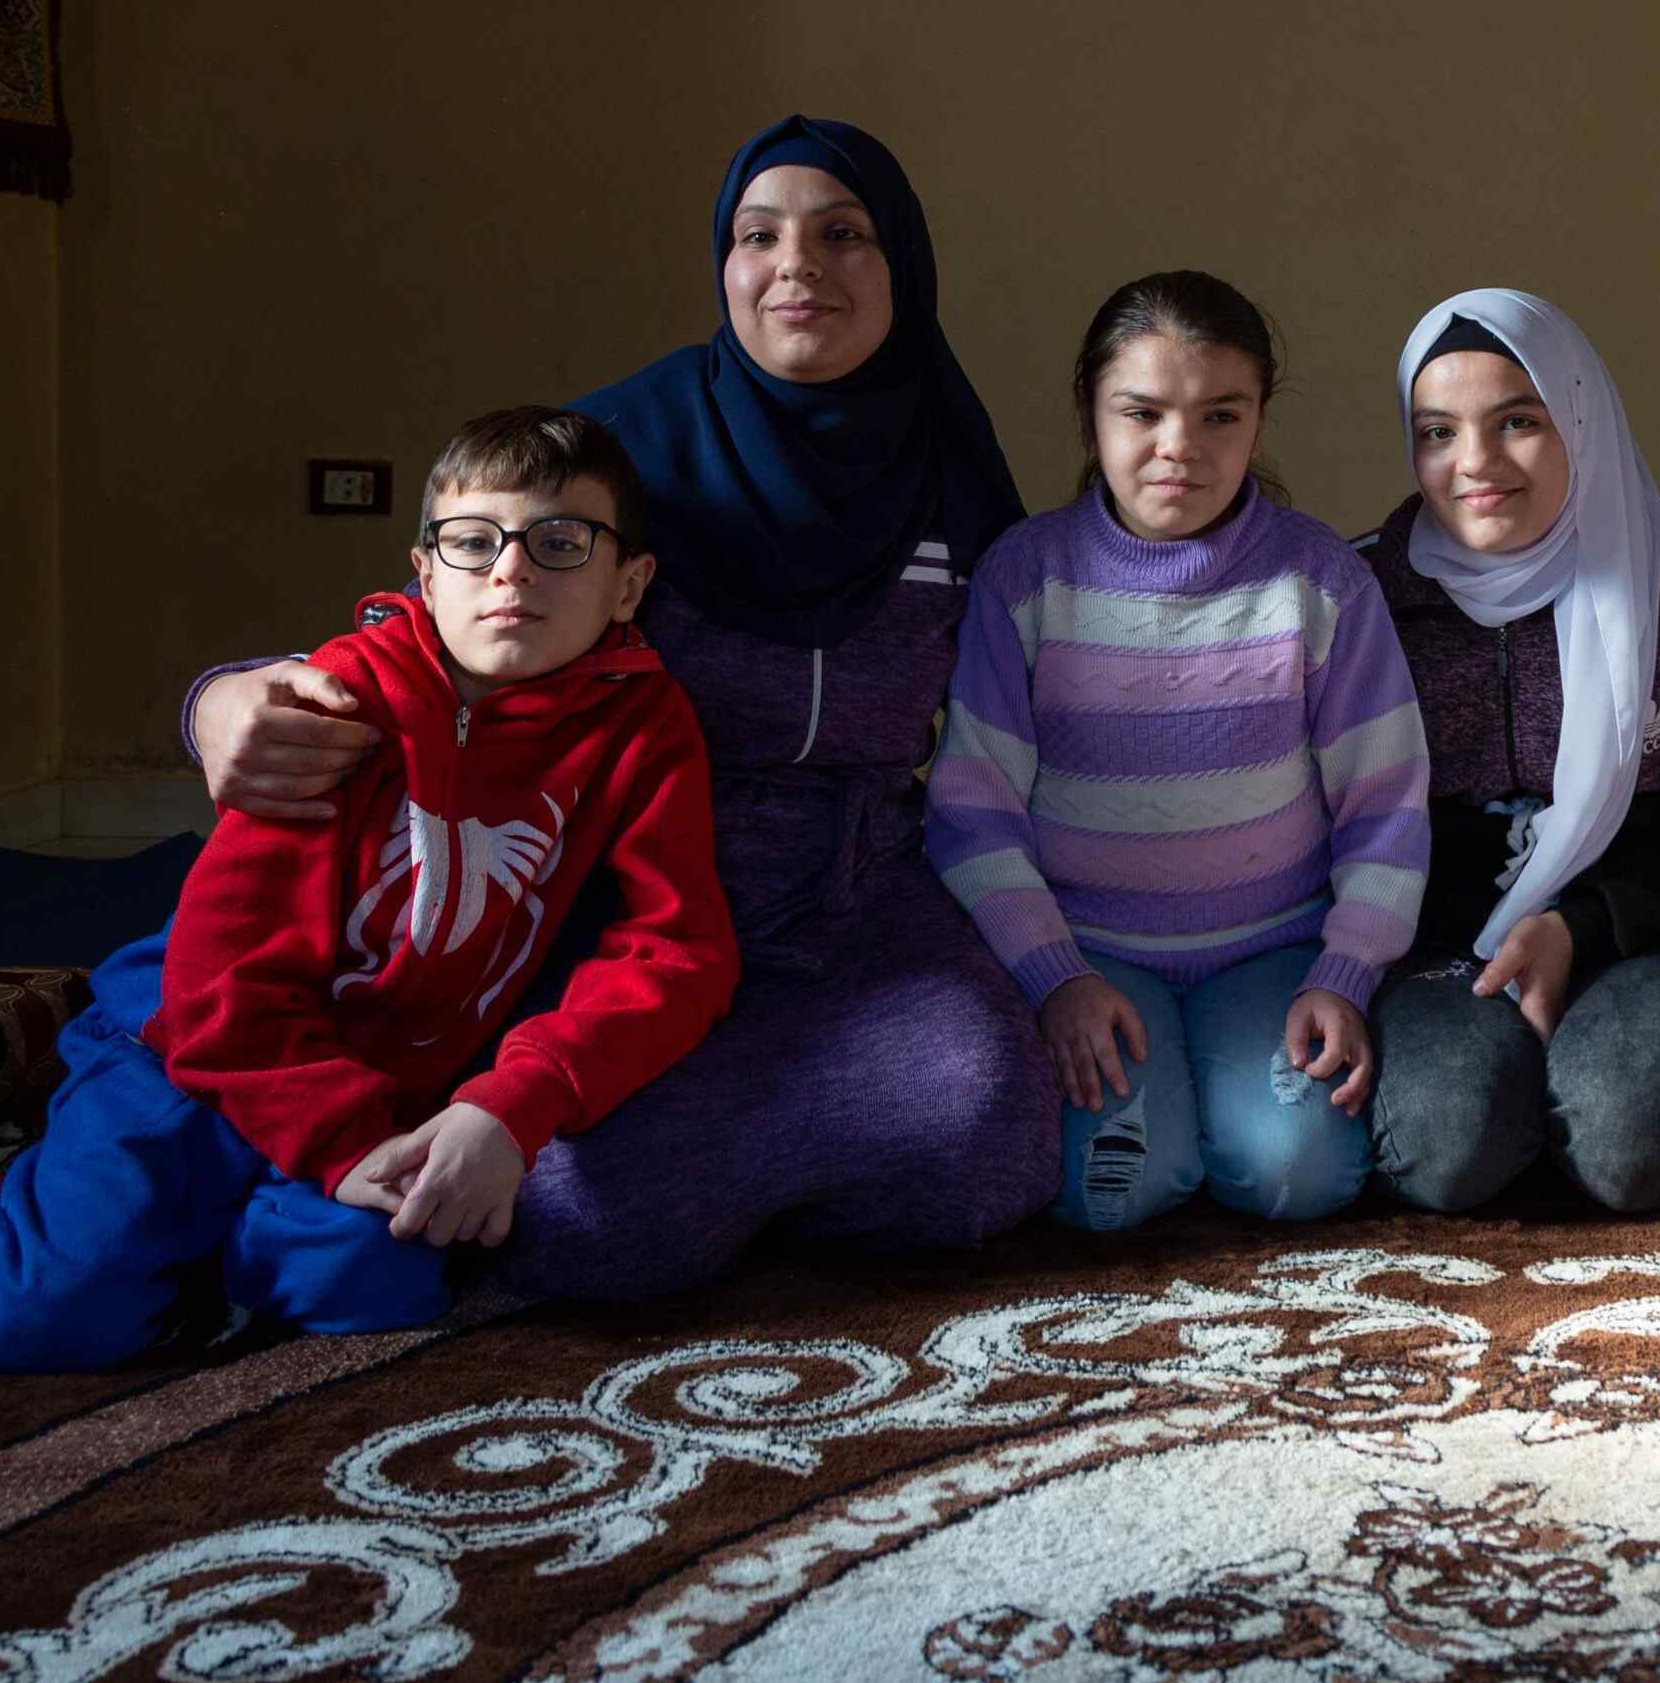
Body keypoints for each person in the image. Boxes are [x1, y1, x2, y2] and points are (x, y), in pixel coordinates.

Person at [180, 116, 1055, 1296]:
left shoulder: (950, 470)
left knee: (998, 1147)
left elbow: (1042, 685)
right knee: (591, 1230)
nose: (797, 265)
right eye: (760, 236)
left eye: (843, 234)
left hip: (862, 891)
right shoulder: (624, 453)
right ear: (723, 264)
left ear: (902, 262)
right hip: (615, 908)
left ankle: (732, 1165)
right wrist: (217, 700)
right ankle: (705, 1173)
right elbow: (442, 626)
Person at [0, 409, 736, 1369]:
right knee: (37, 1312)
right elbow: (223, 982)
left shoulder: (644, 724)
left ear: (628, 583)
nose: (510, 571)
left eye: (559, 543)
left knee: (383, 1285)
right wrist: (338, 1148)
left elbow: (675, 949)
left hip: (386, 1085)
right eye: (472, 543)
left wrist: (513, 1102)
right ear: (425, 572)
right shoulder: (334, 704)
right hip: (195, 1057)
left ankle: (197, 1248)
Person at [928, 271, 1428, 1230]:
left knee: (1300, 1178)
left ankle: (1220, 1110)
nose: (1179, 449)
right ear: (1090, 420)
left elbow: (1387, 800)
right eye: (1142, 413)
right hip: (1094, 962)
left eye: (1219, 416)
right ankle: (1177, 1119)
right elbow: (972, 808)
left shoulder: (1317, 581)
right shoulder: (1026, 580)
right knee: (1109, 1194)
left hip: (1275, 956)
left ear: (1258, 423)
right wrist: (1055, 978)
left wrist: (1344, 973)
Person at [1359, 290, 1660, 1214]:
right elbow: (1338, 831)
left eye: (1518, 421)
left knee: (1630, 1146)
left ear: (1580, 417)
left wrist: (1577, 925)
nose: (1473, 465)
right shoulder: (1367, 584)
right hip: (1442, 939)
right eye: (1436, 432)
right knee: (1446, 1149)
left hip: (1645, 927)